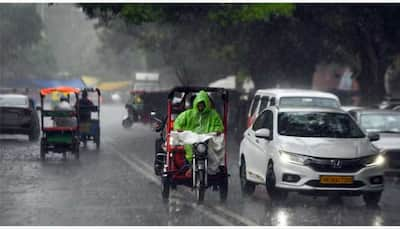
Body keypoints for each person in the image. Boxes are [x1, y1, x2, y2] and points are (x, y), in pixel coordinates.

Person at [173, 90, 224, 176]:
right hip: (193, 138)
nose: (200, 107)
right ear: (195, 104)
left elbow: (219, 125)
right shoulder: (189, 114)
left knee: (216, 147)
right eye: (199, 104)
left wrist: (218, 130)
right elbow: (178, 121)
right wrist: (179, 129)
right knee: (188, 146)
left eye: (202, 105)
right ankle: (191, 166)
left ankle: (213, 167)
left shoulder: (213, 114)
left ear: (206, 104)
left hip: (208, 138)